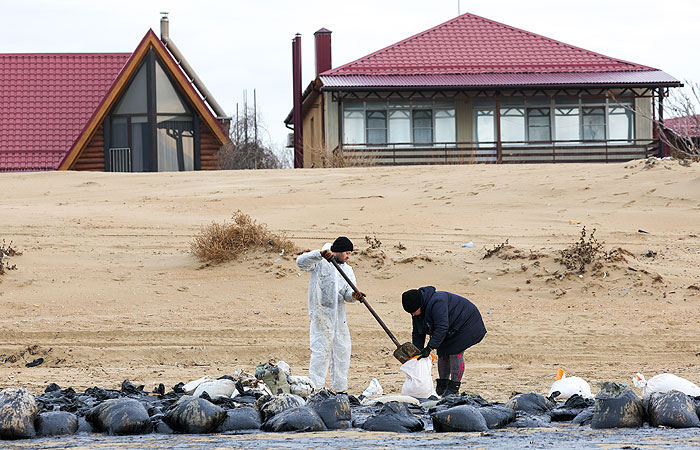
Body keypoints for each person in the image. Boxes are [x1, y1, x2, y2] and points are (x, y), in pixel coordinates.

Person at [296, 236, 364, 393]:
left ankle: (340, 388)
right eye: (346, 253)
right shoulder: (320, 262)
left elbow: (347, 293)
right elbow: (301, 262)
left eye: (350, 254)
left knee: (342, 349)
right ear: (338, 251)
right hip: (321, 313)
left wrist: (354, 296)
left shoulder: (347, 269)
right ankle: (317, 388)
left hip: (339, 315)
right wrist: (319, 254)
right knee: (321, 349)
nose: (348, 257)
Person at [402, 286, 486, 397]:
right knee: (442, 353)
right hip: (450, 327)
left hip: (467, 323)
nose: (412, 315)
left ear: (419, 305)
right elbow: (418, 331)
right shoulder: (418, 309)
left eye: (413, 311)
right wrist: (417, 351)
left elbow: (441, 327)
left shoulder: (437, 302)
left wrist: (429, 347)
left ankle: (453, 388)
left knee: (455, 352)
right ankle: (442, 386)